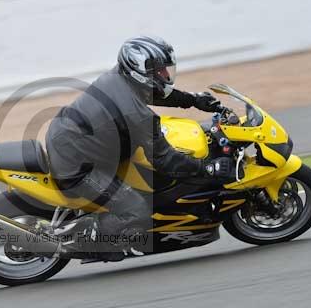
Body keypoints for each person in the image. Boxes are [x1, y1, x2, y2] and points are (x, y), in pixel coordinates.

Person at [45, 36, 236, 261]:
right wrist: (207, 168)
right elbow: (165, 161)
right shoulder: (136, 114)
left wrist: (192, 100)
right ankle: (91, 240)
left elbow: (151, 93)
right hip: (76, 165)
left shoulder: (121, 78)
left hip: (75, 140)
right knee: (136, 209)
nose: (166, 76)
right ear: (140, 71)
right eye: (161, 72)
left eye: (167, 70)